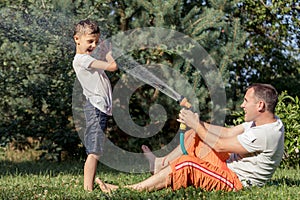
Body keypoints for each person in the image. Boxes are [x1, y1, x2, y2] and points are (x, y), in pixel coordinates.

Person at [96, 83, 284, 193]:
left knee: (188, 165)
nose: (242, 105)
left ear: (260, 105)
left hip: (237, 181)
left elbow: (219, 146)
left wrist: (195, 124)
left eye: (246, 101)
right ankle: (160, 164)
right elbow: (226, 133)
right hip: (228, 166)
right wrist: (196, 122)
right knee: (195, 134)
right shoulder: (261, 122)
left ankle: (128, 190)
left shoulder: (266, 134)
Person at [72, 19, 118, 191]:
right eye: (90, 41)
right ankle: (87, 189)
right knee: (94, 151)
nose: (93, 45)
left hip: (99, 109)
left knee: (96, 149)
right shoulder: (82, 60)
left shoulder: (87, 59)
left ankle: (88, 186)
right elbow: (112, 66)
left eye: (96, 42)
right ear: (77, 39)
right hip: (96, 109)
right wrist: (108, 52)